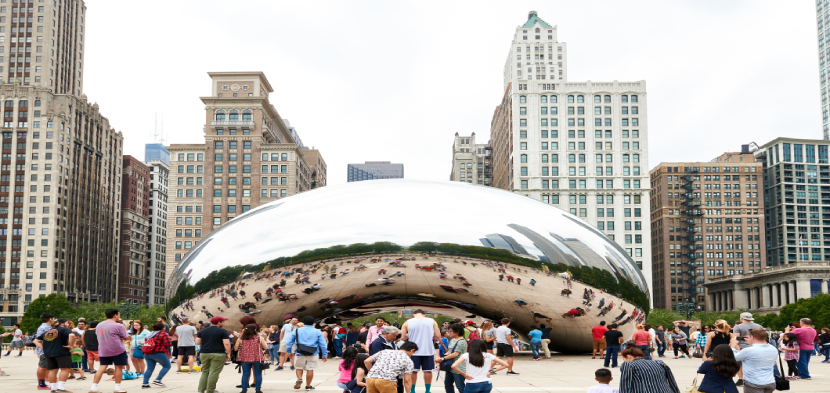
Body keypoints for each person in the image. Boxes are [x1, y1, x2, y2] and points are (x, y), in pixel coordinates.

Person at [400, 309, 442, 392]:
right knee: (428, 371)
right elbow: (437, 335)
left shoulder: (407, 322)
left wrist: (410, 335)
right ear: (424, 314)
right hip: (428, 350)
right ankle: (427, 390)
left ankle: (412, 390)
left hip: (412, 351)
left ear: (414, 315)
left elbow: (402, 337)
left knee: (413, 371)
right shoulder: (432, 321)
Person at [90, 309, 130, 393]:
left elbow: (98, 335)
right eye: (119, 314)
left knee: (101, 368)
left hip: (103, 350)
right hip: (117, 349)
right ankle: (117, 388)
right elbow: (126, 337)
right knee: (118, 368)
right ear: (115, 315)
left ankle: (93, 388)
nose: (119, 316)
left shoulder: (99, 325)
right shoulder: (119, 326)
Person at [286, 315, 329, 390]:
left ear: (304, 323)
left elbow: (289, 342)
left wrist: (289, 352)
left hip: (299, 352)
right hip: (313, 353)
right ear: (313, 323)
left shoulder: (297, 330)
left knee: (298, 367)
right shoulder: (317, 332)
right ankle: (308, 386)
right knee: (310, 369)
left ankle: (299, 378)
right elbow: (323, 344)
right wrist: (324, 354)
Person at [34, 318, 75, 393]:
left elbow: (35, 341)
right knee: (65, 369)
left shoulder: (48, 331)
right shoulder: (64, 329)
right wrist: (71, 346)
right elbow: (72, 335)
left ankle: (53, 388)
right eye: (67, 323)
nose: (68, 324)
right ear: (62, 324)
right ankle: (61, 388)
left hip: (49, 353)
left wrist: (44, 348)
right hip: (62, 352)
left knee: (52, 370)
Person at [732, 328, 778, 393]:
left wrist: (733, 346)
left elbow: (733, 357)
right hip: (770, 381)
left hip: (754, 382)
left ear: (752, 337)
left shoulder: (748, 350)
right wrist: (752, 343)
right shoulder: (773, 348)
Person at [196, 316, 232, 393]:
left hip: (204, 353)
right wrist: (228, 353)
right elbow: (226, 343)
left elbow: (197, 342)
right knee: (214, 372)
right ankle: (210, 390)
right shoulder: (223, 331)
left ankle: (201, 390)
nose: (224, 323)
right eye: (223, 321)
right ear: (219, 322)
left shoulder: (202, 331)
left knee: (205, 371)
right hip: (218, 353)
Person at [235, 323, 268, 393]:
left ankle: (244, 390)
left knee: (245, 374)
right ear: (255, 330)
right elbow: (265, 347)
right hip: (257, 359)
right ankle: (258, 390)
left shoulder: (240, 339)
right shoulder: (259, 338)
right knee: (258, 374)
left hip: (245, 359)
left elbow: (235, 349)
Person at [732, 312, 762, 386]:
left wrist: (737, 348)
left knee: (739, 364)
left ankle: (741, 379)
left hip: (742, 347)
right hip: (756, 347)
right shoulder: (759, 326)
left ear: (741, 318)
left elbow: (736, 339)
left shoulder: (738, 327)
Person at [141, 321, 172, 388]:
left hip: (147, 353)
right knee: (167, 366)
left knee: (149, 369)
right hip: (158, 353)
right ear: (163, 328)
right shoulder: (163, 333)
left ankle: (145, 383)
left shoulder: (149, 334)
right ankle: (158, 380)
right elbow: (168, 344)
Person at [437, 324, 467, 393]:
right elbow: (449, 352)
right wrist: (441, 357)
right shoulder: (452, 340)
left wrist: (443, 359)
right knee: (448, 385)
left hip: (458, 367)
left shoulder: (461, 341)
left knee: (460, 386)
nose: (449, 333)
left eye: (451, 331)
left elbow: (455, 354)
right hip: (450, 366)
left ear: (457, 332)